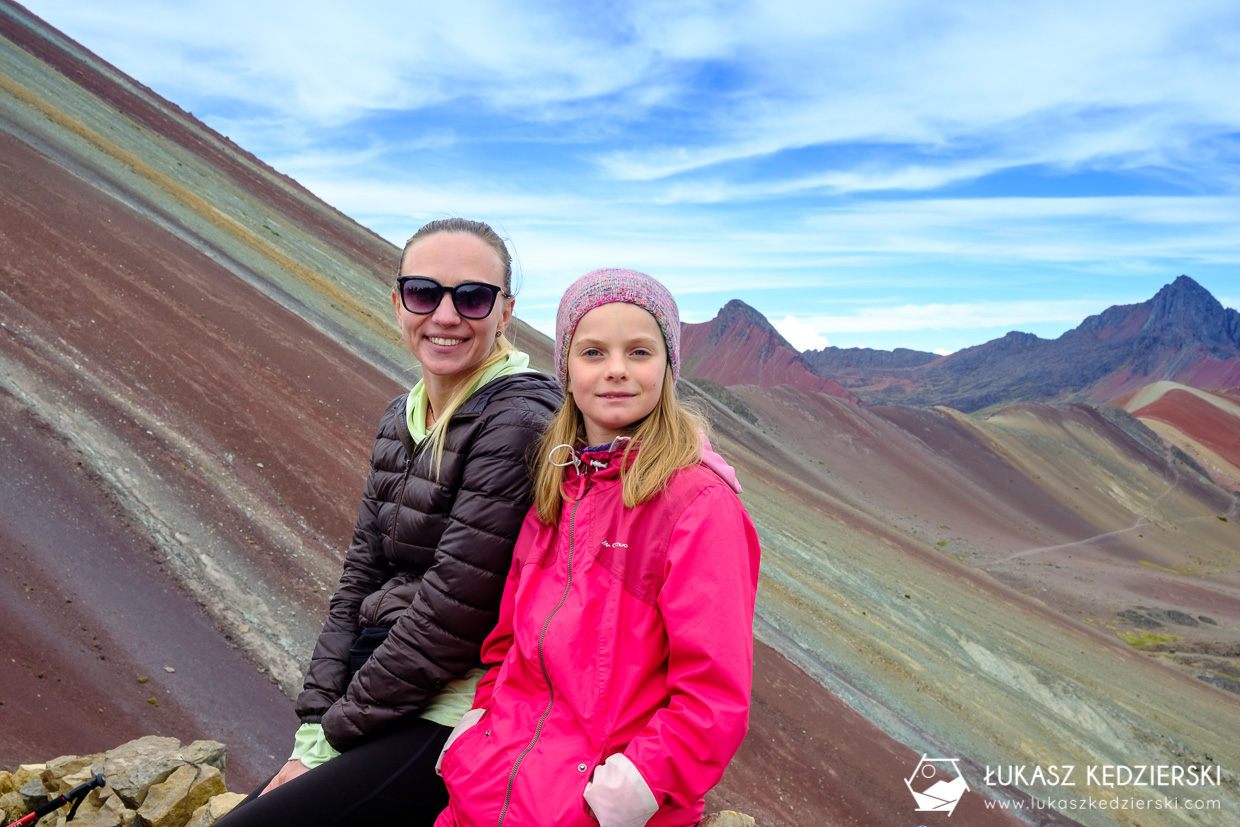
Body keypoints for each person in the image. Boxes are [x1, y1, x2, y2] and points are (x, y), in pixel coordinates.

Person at [217, 218, 561, 827]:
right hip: (382, 691)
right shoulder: (400, 415)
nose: (446, 316)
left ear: (505, 312)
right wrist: (314, 724)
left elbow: (455, 611)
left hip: (452, 710)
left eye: (473, 296)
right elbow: (359, 578)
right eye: (424, 292)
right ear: (398, 302)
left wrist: (331, 739)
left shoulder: (516, 419)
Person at [434, 268, 762, 827]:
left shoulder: (697, 503)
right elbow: (509, 641)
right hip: (485, 796)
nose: (616, 370)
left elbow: (713, 694)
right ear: (565, 369)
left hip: (589, 812)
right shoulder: (559, 482)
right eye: (592, 352)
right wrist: (479, 728)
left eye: (639, 351)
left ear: (668, 366)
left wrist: (631, 790)